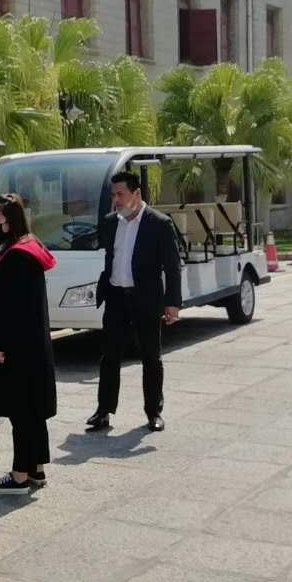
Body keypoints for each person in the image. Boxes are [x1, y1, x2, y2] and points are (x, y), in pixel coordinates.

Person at [87, 171, 181, 434]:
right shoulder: (110, 222)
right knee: (109, 356)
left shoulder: (159, 223)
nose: (116, 200)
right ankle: (103, 411)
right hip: (116, 296)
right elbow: (111, 257)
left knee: (151, 357)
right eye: (113, 195)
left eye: (121, 194)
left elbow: (172, 267)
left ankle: (154, 412)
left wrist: (172, 303)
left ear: (136, 194)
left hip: (145, 298)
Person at [0, 194, 58, 493]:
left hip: (17, 348)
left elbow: (12, 310)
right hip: (31, 345)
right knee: (32, 410)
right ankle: (36, 468)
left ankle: (20, 474)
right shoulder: (28, 246)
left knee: (21, 412)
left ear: (8, 222)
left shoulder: (17, 257)